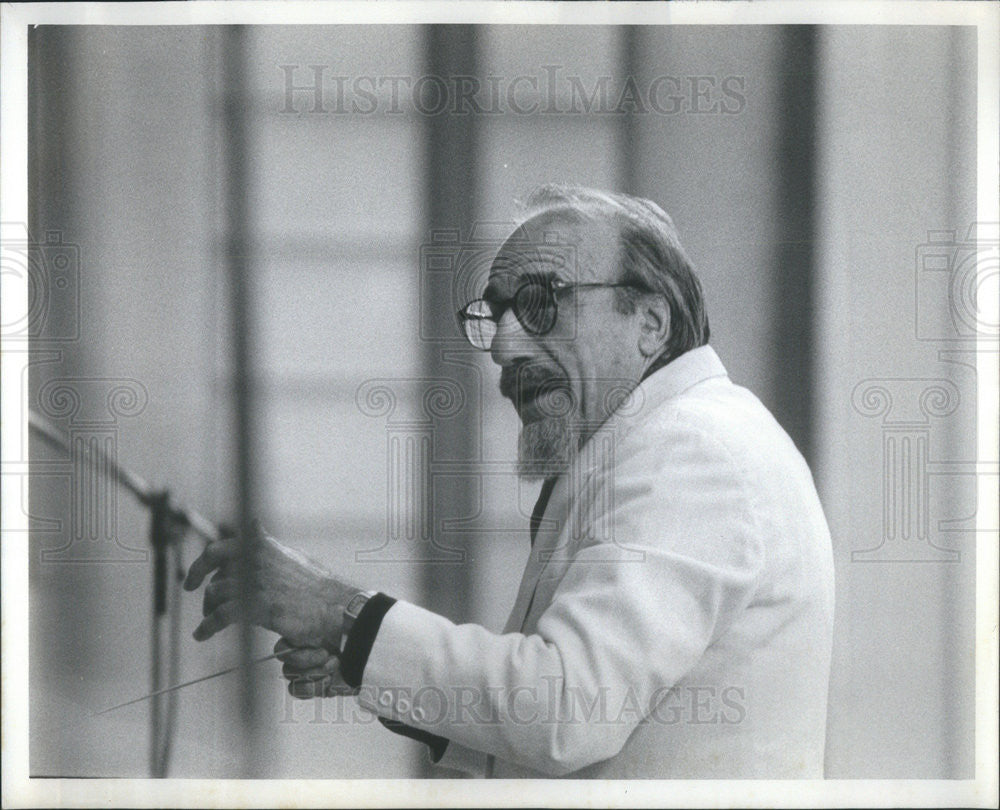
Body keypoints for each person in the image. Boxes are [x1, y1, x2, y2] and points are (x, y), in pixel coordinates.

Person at [184, 185, 835, 778]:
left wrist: (340, 613)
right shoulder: (665, 441)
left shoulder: (694, 451)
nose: (501, 347)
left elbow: (567, 710)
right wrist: (365, 659)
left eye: (540, 303)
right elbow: (581, 726)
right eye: (495, 315)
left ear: (651, 323)